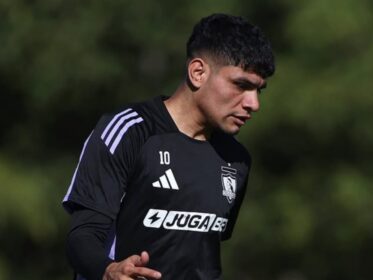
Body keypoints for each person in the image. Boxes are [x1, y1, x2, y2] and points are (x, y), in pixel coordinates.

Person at [62, 13, 275, 280]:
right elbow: (81, 237)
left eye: (259, 90)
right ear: (198, 72)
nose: (253, 104)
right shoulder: (129, 131)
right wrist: (108, 270)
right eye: (241, 85)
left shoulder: (236, 160)